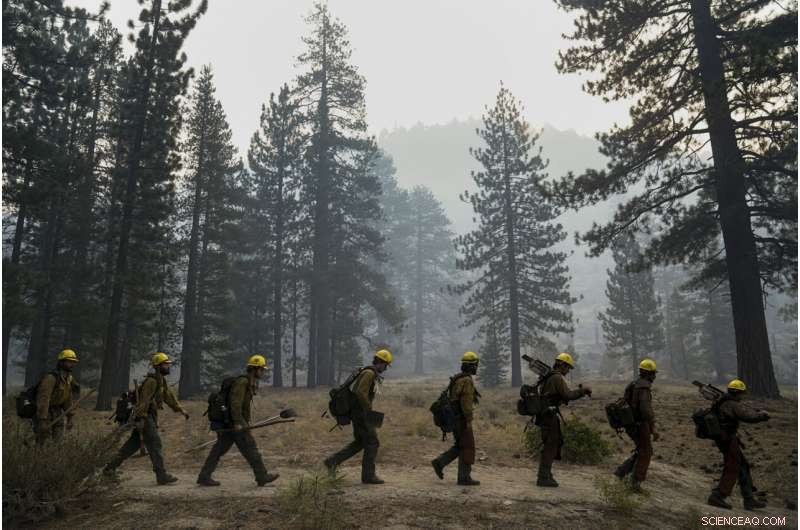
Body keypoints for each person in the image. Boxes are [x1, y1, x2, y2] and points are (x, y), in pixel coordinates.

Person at [104, 352, 189, 485]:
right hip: (144, 416)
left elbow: (168, 396)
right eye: (166, 365)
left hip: (148, 416)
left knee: (131, 446)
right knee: (155, 443)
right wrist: (141, 419)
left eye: (168, 364)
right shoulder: (152, 381)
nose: (168, 367)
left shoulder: (160, 380)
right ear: (158, 366)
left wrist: (180, 409)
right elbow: (143, 401)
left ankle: (109, 468)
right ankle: (161, 475)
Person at [197, 355, 280, 487]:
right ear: (255, 369)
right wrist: (237, 422)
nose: (263, 372)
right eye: (261, 369)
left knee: (218, 450)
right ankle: (261, 475)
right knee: (251, 448)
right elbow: (235, 403)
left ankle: (204, 475)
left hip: (233, 422)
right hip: (234, 423)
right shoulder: (243, 382)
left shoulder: (249, 382)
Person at [323, 349, 392, 484]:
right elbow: (360, 392)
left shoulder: (368, 372)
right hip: (361, 414)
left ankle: (332, 461)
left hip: (358, 413)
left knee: (360, 442)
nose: (386, 368)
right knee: (372, 442)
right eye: (386, 365)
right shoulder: (369, 373)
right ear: (381, 362)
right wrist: (368, 409)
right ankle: (368, 476)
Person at [707, 379, 770, 511]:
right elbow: (747, 417)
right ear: (737, 393)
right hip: (728, 439)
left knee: (743, 467)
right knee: (733, 467)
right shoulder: (731, 404)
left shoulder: (723, 401)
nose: (743, 396)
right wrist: (762, 416)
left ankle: (749, 499)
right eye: (742, 393)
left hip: (726, 439)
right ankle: (718, 495)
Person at [536, 352, 592, 487]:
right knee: (551, 445)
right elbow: (568, 395)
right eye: (567, 368)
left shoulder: (548, 376)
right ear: (562, 365)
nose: (568, 371)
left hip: (544, 414)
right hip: (549, 415)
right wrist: (582, 391)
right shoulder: (556, 377)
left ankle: (545, 474)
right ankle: (544, 477)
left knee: (551, 444)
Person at [431, 351, 481, 486]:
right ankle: (464, 478)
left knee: (460, 445)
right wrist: (469, 420)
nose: (476, 367)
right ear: (472, 366)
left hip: (454, 418)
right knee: (468, 446)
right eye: (475, 365)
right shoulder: (467, 380)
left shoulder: (457, 378)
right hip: (461, 419)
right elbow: (466, 404)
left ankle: (439, 462)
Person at [614, 358, 659, 491]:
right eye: (653, 373)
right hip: (640, 425)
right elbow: (646, 410)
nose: (654, 376)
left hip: (630, 424)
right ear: (649, 374)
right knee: (646, 452)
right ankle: (635, 483)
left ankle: (621, 472)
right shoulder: (644, 388)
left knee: (641, 450)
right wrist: (653, 428)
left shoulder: (633, 384)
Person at [33, 349, 79, 444]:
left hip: (58, 413)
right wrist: (42, 420)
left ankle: (54, 458)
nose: (72, 364)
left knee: (58, 443)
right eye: (69, 361)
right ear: (61, 362)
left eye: (73, 362)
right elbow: (43, 399)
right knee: (43, 442)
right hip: (46, 413)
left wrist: (70, 417)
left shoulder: (69, 379)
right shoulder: (50, 378)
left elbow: (68, 399)